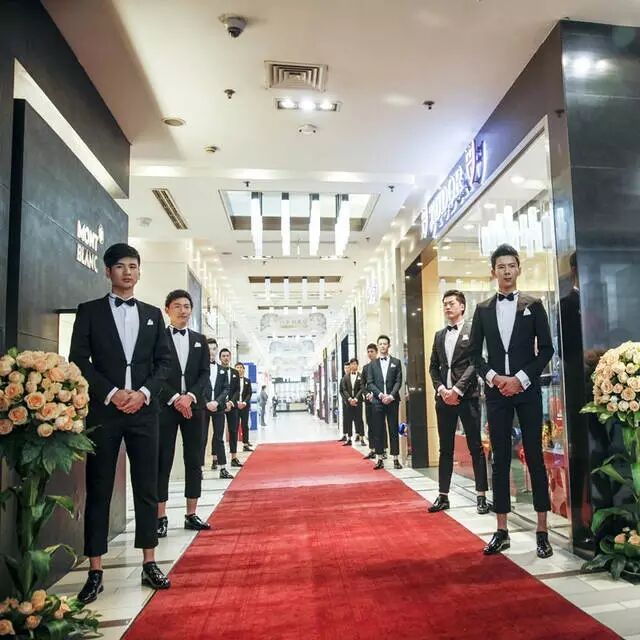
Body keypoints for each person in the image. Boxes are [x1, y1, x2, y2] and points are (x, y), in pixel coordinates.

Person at [69, 243, 172, 604]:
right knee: (99, 488)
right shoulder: (90, 311)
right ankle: (95, 570)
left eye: (133, 266)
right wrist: (112, 393)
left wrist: (143, 393)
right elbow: (79, 359)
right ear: (108, 271)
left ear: (139, 272)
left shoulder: (152, 314)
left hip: (144, 412)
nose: (128, 272)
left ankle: (149, 561)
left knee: (146, 487)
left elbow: (164, 363)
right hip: (105, 411)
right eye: (120, 266)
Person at [470, 243, 554, 559]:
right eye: (501, 266)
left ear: (519, 269)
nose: (507, 271)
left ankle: (542, 531)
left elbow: (547, 350)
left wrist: (521, 378)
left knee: (534, 456)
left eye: (511, 265)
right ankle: (501, 530)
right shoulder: (482, 309)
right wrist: (495, 378)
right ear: (493, 272)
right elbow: (474, 355)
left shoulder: (534, 305)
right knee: (500, 458)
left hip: (527, 391)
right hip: (497, 394)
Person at [156, 290, 212, 539]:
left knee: (194, 459)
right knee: (163, 460)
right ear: (167, 310)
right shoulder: (158, 338)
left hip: (194, 408)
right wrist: (174, 398)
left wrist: (190, 396)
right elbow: (154, 372)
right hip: (165, 407)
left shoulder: (200, 340)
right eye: (177, 306)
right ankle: (160, 516)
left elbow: (204, 373)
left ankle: (191, 513)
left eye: (187, 306)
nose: (183, 310)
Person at [428, 290, 489, 515]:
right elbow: (433, 367)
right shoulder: (439, 335)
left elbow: (475, 363)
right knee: (445, 448)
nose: (447, 307)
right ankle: (443, 495)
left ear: (462, 306)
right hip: (444, 398)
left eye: (451, 303)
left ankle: (481, 496)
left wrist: (457, 389)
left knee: (475, 447)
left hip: (467, 397)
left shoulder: (472, 331)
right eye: (445, 304)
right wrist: (441, 389)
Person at [367, 335, 403, 470]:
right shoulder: (372, 364)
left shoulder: (396, 362)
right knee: (378, 430)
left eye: (385, 344)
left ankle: (395, 458)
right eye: (380, 344)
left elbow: (398, 381)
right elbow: (370, 383)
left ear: (389, 346)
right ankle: (379, 458)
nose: (383, 346)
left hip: (392, 401)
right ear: (378, 346)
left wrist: (391, 396)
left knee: (393, 429)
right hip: (378, 401)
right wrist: (381, 395)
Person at [204, 338, 232, 478]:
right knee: (202, 438)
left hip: (219, 407)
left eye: (214, 349)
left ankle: (222, 468)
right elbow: (198, 387)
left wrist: (217, 402)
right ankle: (200, 469)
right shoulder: (200, 368)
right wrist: (207, 403)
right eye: (209, 349)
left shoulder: (222, 370)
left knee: (219, 438)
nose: (212, 352)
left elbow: (226, 388)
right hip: (203, 407)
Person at [220, 348, 243, 468]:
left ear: (230, 357)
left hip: (232, 406)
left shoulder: (235, 372)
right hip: (219, 405)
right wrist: (222, 402)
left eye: (227, 356)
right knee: (218, 432)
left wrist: (230, 402)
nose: (225, 358)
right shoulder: (216, 370)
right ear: (220, 358)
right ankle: (215, 458)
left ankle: (234, 457)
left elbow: (237, 390)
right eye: (223, 356)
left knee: (233, 431)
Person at [340, 358, 365, 447]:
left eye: (355, 364)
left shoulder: (361, 376)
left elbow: (362, 388)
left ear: (357, 365)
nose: (353, 365)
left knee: (359, 420)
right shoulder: (345, 377)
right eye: (352, 364)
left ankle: (362, 438)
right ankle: (349, 438)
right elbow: (344, 389)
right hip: (349, 402)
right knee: (349, 419)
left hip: (358, 401)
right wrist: (350, 399)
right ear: (350, 365)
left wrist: (356, 399)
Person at [235, 362, 254, 451]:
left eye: (240, 367)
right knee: (234, 426)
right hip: (235, 406)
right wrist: (237, 403)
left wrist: (244, 403)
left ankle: (245, 444)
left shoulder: (247, 380)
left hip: (244, 407)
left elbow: (249, 393)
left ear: (243, 369)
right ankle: (233, 446)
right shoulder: (232, 380)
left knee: (245, 425)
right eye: (237, 367)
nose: (239, 369)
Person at [338, 362, 352, 444]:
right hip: (345, 402)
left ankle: (352, 437)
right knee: (345, 419)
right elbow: (341, 391)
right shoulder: (342, 379)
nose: (346, 369)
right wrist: (344, 399)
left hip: (353, 401)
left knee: (351, 419)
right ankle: (344, 435)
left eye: (348, 368)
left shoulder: (352, 378)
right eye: (345, 368)